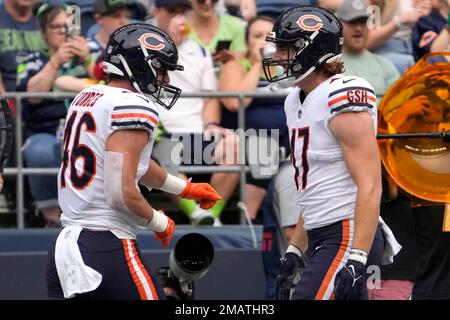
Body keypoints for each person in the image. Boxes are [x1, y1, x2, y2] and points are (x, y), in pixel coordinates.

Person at [46, 23, 221, 299]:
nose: (165, 79)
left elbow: (131, 162)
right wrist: (159, 223)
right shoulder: (134, 105)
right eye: (161, 69)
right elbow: (120, 192)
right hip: (105, 243)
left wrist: (184, 189)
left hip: (65, 247)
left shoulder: (88, 96)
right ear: (139, 64)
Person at [262, 6, 385, 300]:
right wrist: (295, 248)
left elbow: (370, 183)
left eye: (285, 48)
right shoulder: (294, 100)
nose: (278, 56)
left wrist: (357, 256)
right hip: (322, 233)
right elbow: (315, 186)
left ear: (310, 49)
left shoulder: (343, 93)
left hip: (347, 233)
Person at [150, 0, 240, 226]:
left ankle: (210, 213)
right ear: (156, 12)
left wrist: (210, 124)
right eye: (172, 11)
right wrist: (167, 44)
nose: (178, 17)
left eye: (182, 11)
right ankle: (195, 213)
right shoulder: (144, 46)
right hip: (161, 130)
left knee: (234, 144)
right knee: (152, 148)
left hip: (196, 131)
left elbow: (210, 98)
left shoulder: (199, 50)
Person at [16, 3, 93, 227]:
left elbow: (109, 85)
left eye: (67, 27)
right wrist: (56, 61)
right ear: (43, 31)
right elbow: (31, 95)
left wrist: (87, 59)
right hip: (46, 130)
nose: (62, 32)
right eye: (56, 27)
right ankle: (53, 220)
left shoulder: (89, 56)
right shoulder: (30, 59)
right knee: (39, 151)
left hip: (87, 131)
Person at [218, 15, 290, 221]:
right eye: (257, 36)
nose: (263, 41)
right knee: (264, 145)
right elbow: (234, 103)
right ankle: (248, 217)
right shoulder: (237, 65)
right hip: (247, 133)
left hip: (286, 135)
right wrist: (259, 64)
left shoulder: (286, 68)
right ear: (247, 41)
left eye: (269, 37)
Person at [336, 0, 400, 102]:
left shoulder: (384, 64)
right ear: (338, 25)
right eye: (352, 22)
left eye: (363, 22)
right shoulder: (329, 65)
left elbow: (398, 105)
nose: (358, 28)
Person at [187, 0, 247, 68]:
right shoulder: (180, 28)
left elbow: (243, 61)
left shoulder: (235, 25)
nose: (208, 2)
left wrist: (231, 60)